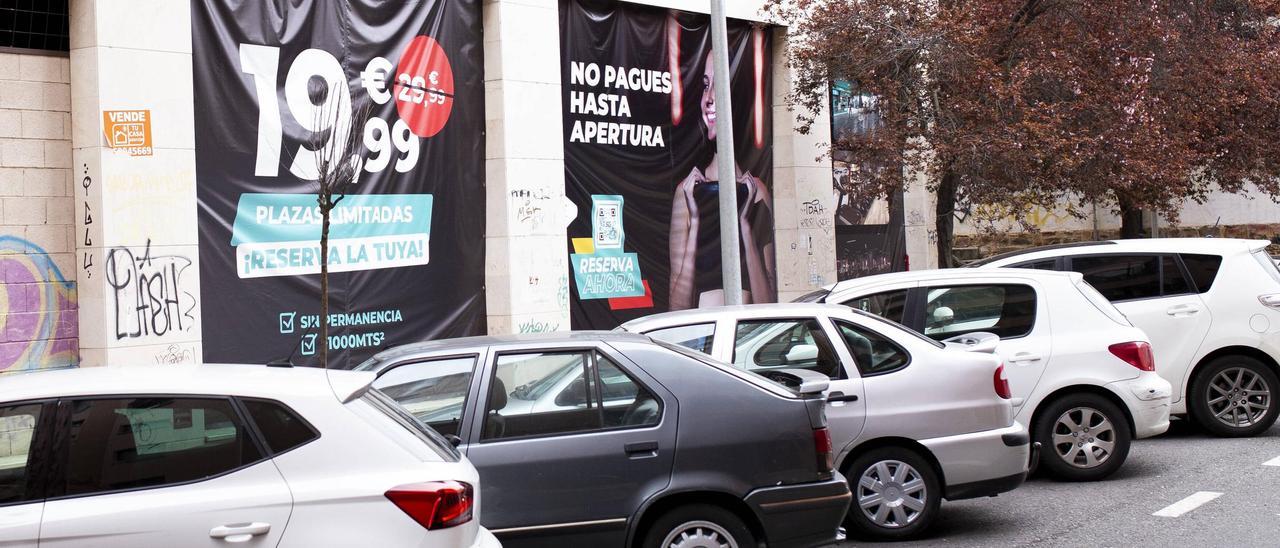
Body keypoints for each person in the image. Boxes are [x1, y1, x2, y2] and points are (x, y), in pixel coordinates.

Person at [669, 51, 776, 310]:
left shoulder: (756, 192)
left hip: (746, 338)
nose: (709, 99)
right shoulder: (687, 191)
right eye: (706, 85)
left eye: (721, 85)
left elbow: (768, 303)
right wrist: (696, 223)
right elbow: (676, 306)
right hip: (699, 339)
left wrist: (745, 226)